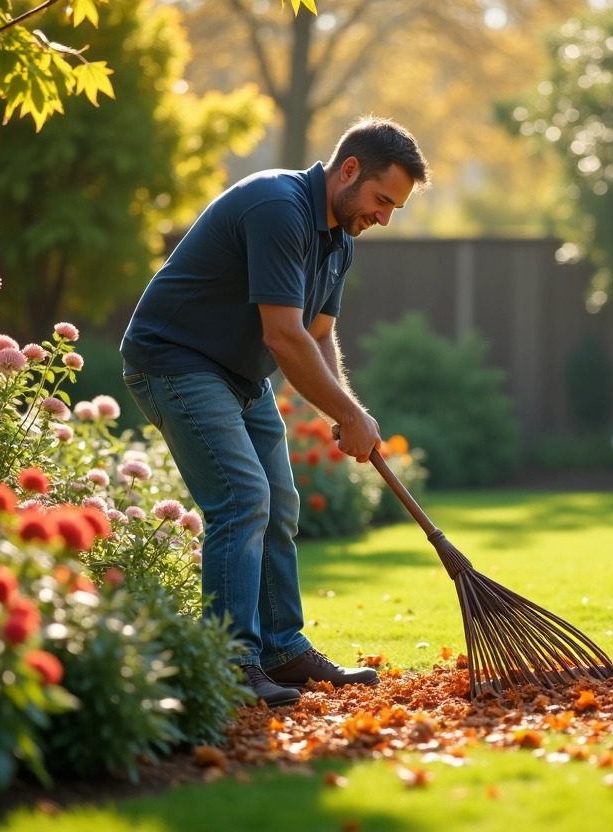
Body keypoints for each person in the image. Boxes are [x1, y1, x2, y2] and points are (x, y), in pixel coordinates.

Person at [120, 117, 431, 706]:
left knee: (280, 501)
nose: (384, 217)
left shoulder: (338, 236)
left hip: (238, 373)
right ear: (348, 170)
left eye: (395, 207)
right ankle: (233, 663)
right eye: (381, 199)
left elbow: (318, 335)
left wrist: (346, 412)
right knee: (242, 498)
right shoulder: (277, 207)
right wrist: (352, 414)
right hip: (176, 360)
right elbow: (284, 338)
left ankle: (282, 651)